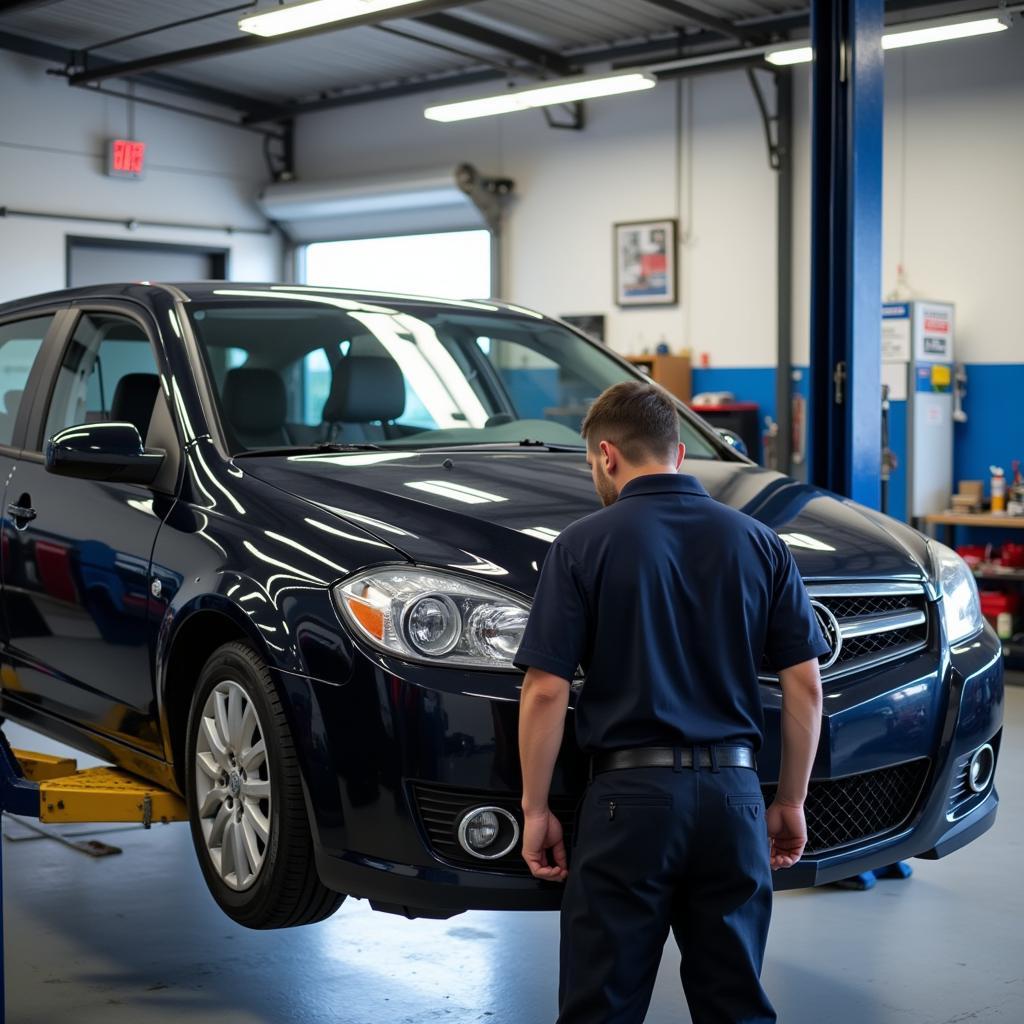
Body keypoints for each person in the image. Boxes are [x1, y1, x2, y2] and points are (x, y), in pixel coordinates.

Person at [515, 380, 827, 1024]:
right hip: (735, 801)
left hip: (628, 805)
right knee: (735, 1004)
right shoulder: (761, 543)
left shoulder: (581, 544)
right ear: (679, 453)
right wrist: (789, 800)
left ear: (606, 455)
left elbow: (545, 689)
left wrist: (536, 807)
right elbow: (805, 686)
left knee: (601, 1005)